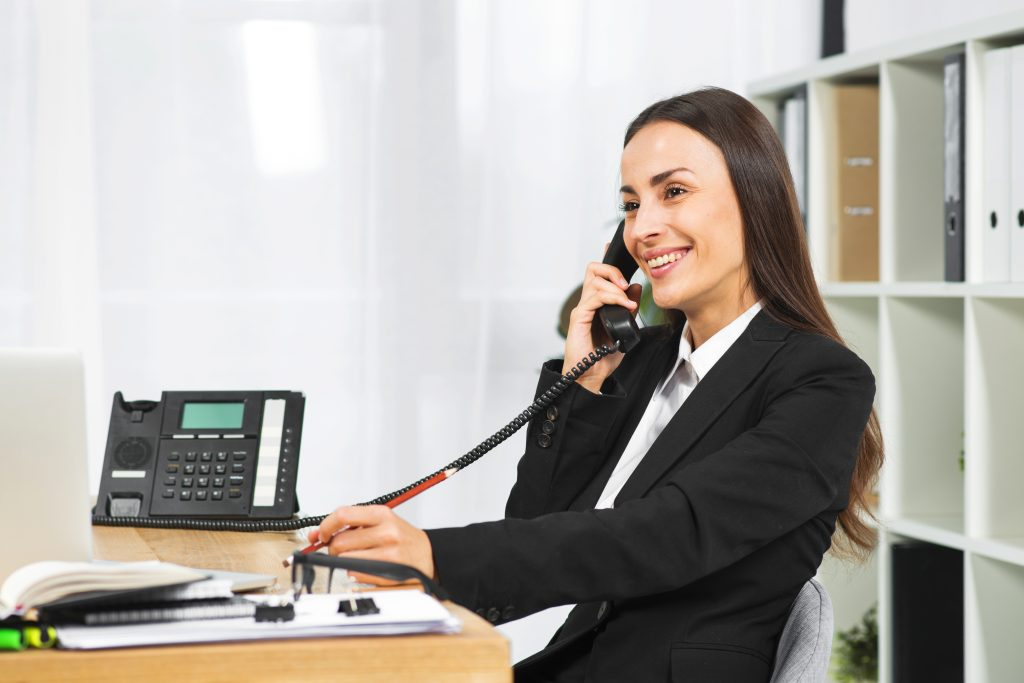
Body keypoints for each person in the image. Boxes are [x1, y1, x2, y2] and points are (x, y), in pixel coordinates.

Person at [309, 87, 883, 682]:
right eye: (632, 206)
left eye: (675, 192)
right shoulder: (638, 364)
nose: (644, 229)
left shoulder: (824, 382)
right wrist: (580, 386)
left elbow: (670, 532)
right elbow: (534, 524)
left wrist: (435, 555)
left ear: (755, 200)